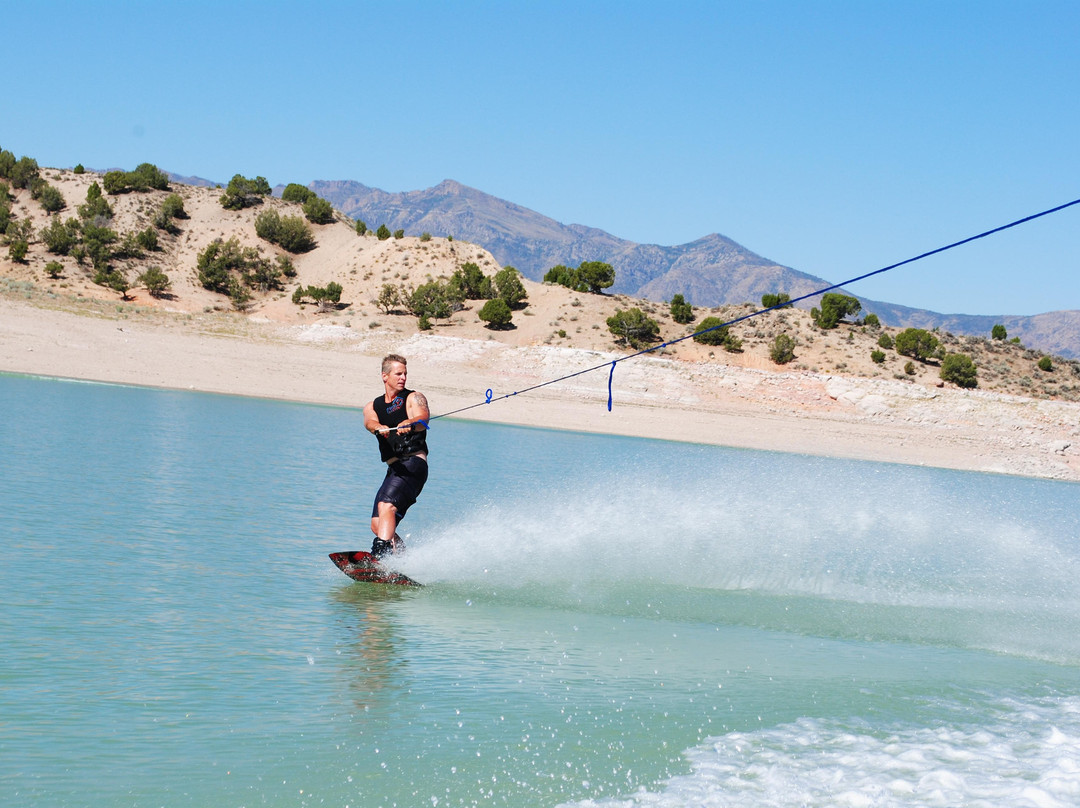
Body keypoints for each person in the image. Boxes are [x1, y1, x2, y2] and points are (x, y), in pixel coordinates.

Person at [363, 354, 429, 559]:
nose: (403, 378)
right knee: (377, 524)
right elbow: (369, 422)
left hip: (413, 464)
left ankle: (380, 556)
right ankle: (403, 559)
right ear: (385, 376)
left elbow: (423, 418)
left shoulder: (413, 397)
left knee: (386, 507)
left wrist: (410, 424)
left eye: (405, 374)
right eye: (398, 373)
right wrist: (379, 428)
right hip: (394, 469)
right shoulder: (373, 406)